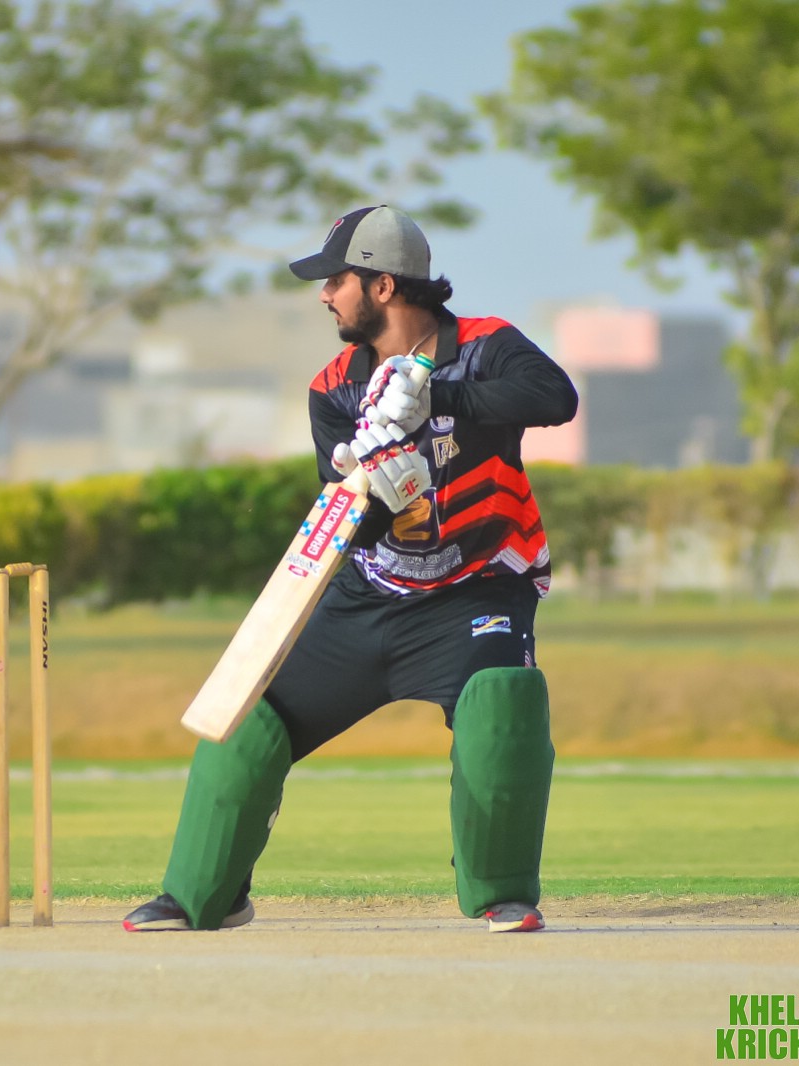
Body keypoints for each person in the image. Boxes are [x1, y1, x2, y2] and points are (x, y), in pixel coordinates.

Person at [122, 205, 579, 934]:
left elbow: (554, 399)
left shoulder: (486, 344)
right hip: (364, 596)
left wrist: (438, 395)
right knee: (248, 712)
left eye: (335, 280)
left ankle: (502, 892)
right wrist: (376, 493)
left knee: (501, 704)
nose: (324, 296)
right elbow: (342, 514)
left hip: (477, 591)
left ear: (383, 286)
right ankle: (204, 893)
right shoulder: (333, 386)